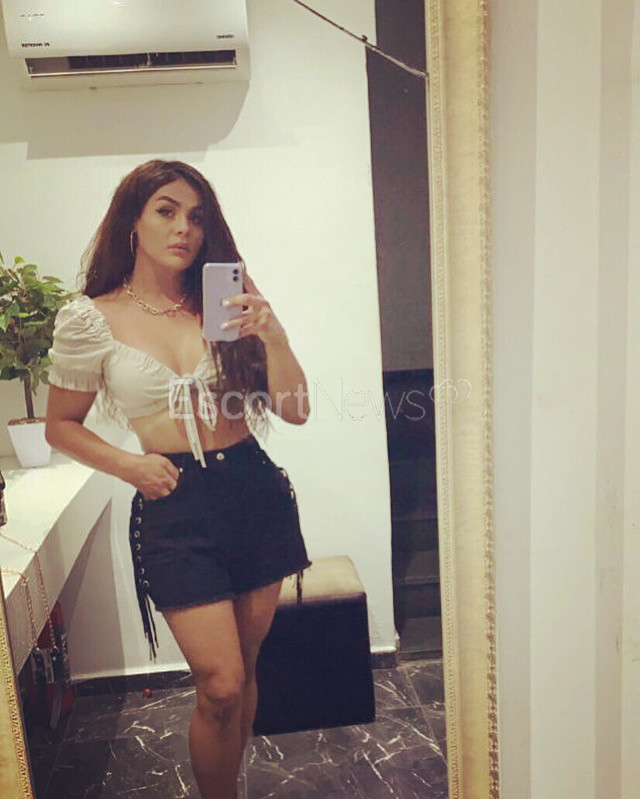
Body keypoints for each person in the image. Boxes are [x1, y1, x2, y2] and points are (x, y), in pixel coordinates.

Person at [44, 159, 311, 799]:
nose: (184, 227)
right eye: (166, 211)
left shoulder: (224, 302)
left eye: (196, 216)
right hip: (174, 506)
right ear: (132, 223)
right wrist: (129, 464)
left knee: (244, 674)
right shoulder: (91, 318)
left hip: (254, 492)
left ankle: (231, 786)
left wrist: (273, 335)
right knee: (219, 683)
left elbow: (296, 409)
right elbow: (60, 426)